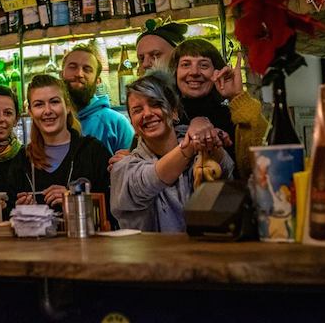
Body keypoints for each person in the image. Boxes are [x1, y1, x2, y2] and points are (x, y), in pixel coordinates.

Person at [110, 71, 234, 232]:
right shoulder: (124, 169)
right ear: (132, 123)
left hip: (206, 254)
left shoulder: (199, 154)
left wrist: (209, 139)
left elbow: (225, 170)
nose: (147, 114)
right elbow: (150, 179)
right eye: (137, 110)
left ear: (174, 112)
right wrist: (193, 141)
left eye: (155, 104)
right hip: (149, 256)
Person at [7, 74, 112, 219]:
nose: (47, 111)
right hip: (36, 241)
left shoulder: (94, 151)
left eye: (54, 102)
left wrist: (73, 200)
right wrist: (20, 212)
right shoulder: (22, 160)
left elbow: (113, 209)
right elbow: (9, 216)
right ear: (30, 112)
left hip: (86, 241)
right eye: (39, 104)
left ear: (67, 106)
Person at [173, 38, 268, 178]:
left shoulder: (233, 115)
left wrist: (236, 96)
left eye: (204, 65)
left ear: (216, 72)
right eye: (186, 64)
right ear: (175, 72)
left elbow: (263, 161)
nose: (194, 72)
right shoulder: (164, 117)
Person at [61, 42, 134, 154]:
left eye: (87, 69)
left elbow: (134, 168)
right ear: (61, 74)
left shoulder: (117, 123)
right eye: (73, 67)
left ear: (97, 80)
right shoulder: (53, 121)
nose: (79, 74)